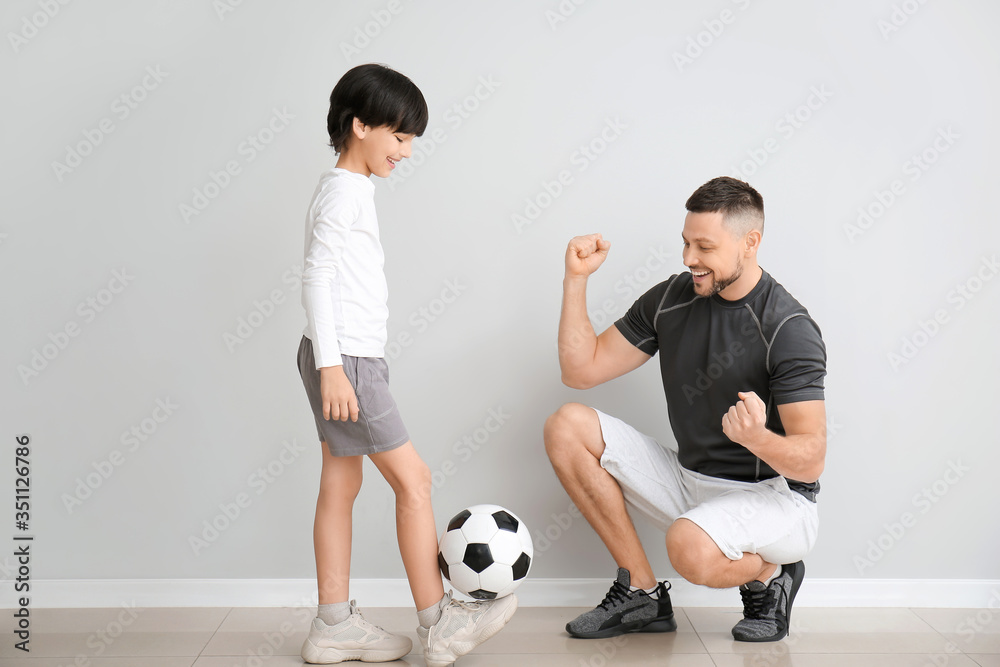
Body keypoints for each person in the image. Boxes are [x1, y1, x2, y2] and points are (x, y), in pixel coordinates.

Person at [295, 63, 516, 665]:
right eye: (398, 136)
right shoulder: (344, 191)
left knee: (340, 484)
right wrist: (335, 368)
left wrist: (331, 362)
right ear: (359, 125)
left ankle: (333, 623)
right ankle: (437, 622)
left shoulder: (346, 187)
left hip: (348, 357)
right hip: (349, 362)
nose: (407, 150)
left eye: (411, 138)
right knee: (413, 482)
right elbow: (316, 276)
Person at [545, 176, 827, 643]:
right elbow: (581, 370)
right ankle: (642, 592)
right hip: (691, 481)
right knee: (567, 425)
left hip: (774, 499)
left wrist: (757, 438)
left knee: (687, 549)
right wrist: (576, 280)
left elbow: (812, 459)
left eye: (704, 246)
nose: (688, 258)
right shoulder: (672, 299)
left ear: (749, 242)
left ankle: (772, 573)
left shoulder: (788, 327)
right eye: (685, 243)